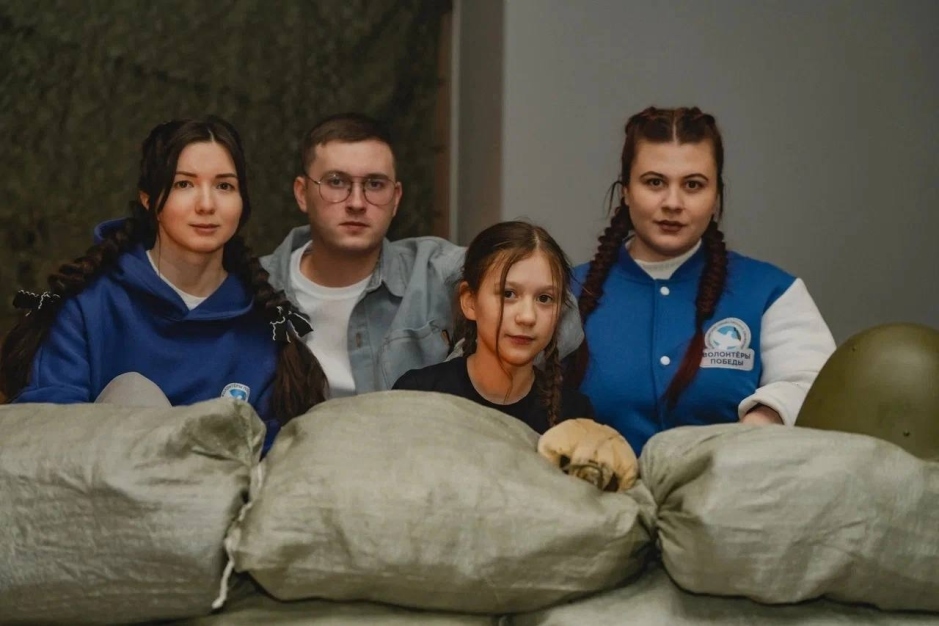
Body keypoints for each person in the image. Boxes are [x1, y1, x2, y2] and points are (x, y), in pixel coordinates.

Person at [0, 116, 327, 451]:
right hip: (98, 477)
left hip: (220, 483)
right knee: (133, 391)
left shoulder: (264, 327)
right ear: (148, 199)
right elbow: (47, 433)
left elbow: (276, 458)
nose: (206, 204)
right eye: (184, 184)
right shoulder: (88, 306)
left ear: (242, 203)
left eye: (224, 186)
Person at [572, 106, 836, 454]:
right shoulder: (564, 292)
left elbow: (818, 385)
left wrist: (764, 419)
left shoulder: (771, 292)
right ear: (626, 191)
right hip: (591, 486)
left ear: (716, 196)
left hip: (734, 483)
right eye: (654, 182)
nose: (673, 202)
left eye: (693, 185)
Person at [262, 113, 583, 398]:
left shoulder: (437, 271)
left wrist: (465, 378)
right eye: (336, 182)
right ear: (302, 193)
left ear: (396, 198)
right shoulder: (257, 287)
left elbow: (564, 316)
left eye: (375, 184)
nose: (357, 202)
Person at [394, 221, 593, 435]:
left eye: (544, 298)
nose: (527, 317)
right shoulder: (417, 394)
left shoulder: (574, 416)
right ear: (470, 301)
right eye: (508, 294)